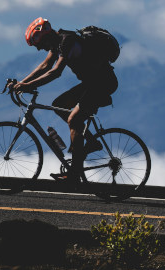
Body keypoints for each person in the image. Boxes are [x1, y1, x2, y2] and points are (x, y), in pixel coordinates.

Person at [12, 17, 118, 183]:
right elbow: (44, 66)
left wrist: (27, 86)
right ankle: (90, 141)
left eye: (39, 44)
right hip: (92, 83)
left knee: (74, 119)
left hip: (103, 83)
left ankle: (74, 174)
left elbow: (55, 72)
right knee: (59, 105)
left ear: (46, 36)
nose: (40, 49)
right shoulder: (57, 43)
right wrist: (22, 83)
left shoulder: (67, 41)